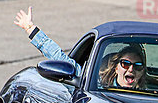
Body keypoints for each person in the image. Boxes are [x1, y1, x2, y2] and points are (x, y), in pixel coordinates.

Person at [14, 7, 146, 89]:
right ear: (116, 67)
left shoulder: (151, 94)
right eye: (125, 64)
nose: (131, 69)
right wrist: (30, 28)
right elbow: (58, 57)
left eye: (138, 65)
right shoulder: (92, 81)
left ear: (142, 72)